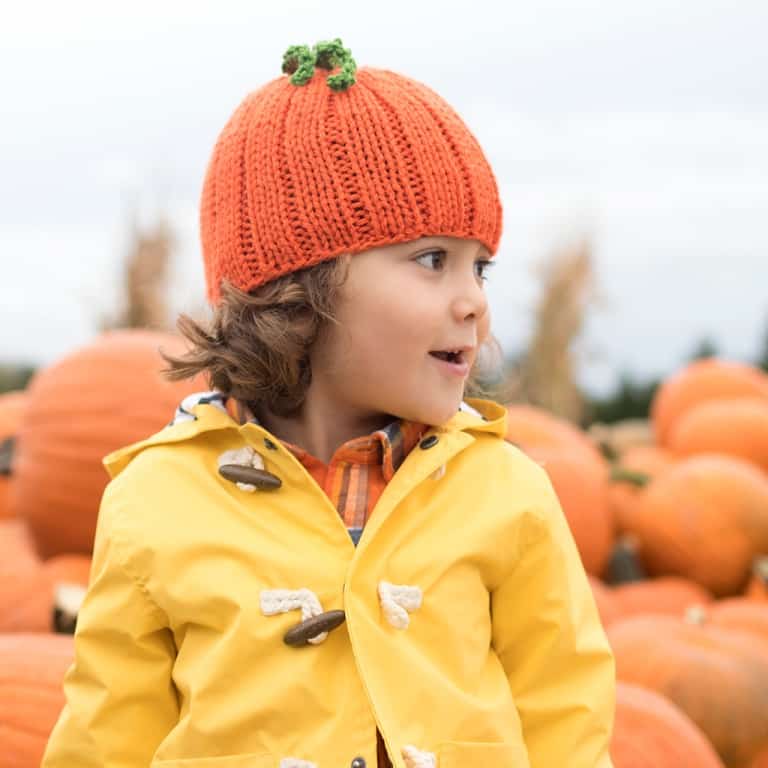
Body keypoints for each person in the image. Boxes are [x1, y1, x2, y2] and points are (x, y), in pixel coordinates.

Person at [41, 38, 615, 768]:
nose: (473, 302)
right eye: (433, 260)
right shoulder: (154, 501)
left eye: (481, 268)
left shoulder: (507, 494)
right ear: (299, 288)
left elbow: (566, 718)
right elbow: (104, 741)